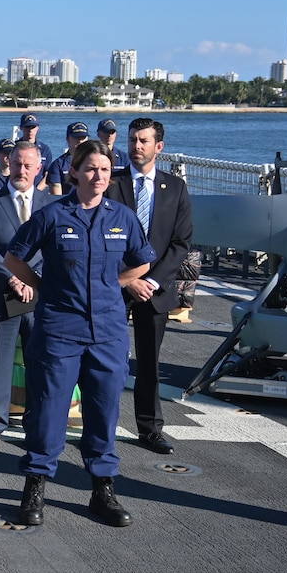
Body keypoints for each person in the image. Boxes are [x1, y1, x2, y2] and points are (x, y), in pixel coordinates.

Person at [4, 140, 154, 528]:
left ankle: (102, 490)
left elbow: (143, 261)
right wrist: (41, 286)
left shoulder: (122, 216)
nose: (98, 176)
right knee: (49, 411)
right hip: (60, 328)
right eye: (90, 169)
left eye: (105, 170)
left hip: (108, 329)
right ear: (74, 172)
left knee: (103, 411)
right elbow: (12, 257)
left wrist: (112, 283)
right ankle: (35, 487)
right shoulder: (53, 215)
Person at [103, 119, 193, 454]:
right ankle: (99, 423)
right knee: (105, 357)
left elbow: (181, 243)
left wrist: (152, 281)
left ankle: (150, 428)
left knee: (149, 364)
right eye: (132, 140)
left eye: (143, 140)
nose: (136, 146)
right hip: (114, 286)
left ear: (159, 146)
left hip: (155, 291)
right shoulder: (113, 183)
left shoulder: (176, 188)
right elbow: (99, 236)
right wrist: (128, 281)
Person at [0, 141, 53, 451]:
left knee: (40, 361)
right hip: (0, 291)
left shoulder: (52, 204)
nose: (22, 170)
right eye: (17, 163)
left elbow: (54, 248)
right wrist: (14, 279)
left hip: (40, 294)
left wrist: (35, 280)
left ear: (39, 168)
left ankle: (37, 417)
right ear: (7, 163)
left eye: (28, 165)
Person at [45, 122, 91, 194]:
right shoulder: (58, 164)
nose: (80, 141)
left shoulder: (94, 162)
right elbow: (56, 197)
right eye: (76, 137)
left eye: (83, 138)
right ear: (68, 139)